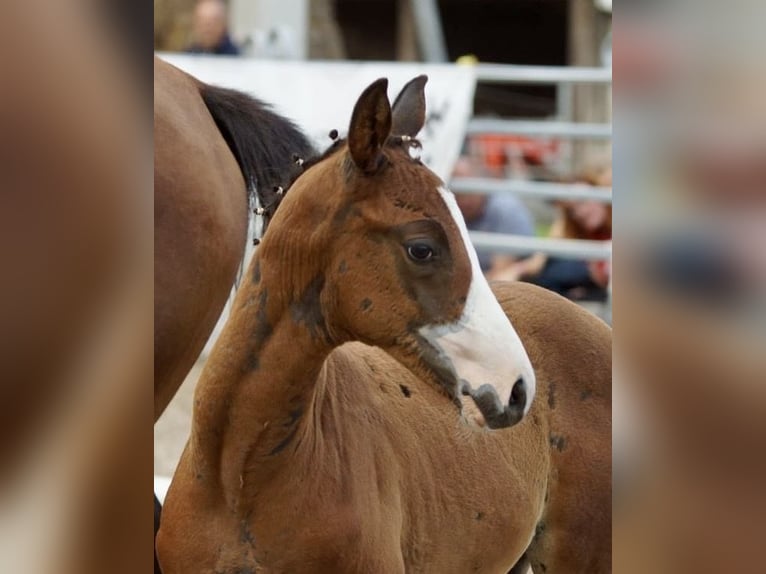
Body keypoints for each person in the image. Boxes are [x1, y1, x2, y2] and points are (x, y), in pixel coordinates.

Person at [495, 166, 612, 301]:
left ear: (601, 193)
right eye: (573, 210)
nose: (580, 212)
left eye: (583, 201)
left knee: (561, 270)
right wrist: (517, 270)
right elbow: (539, 260)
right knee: (552, 269)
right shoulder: (582, 230)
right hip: (596, 285)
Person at [452, 156, 536, 276]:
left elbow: (499, 274)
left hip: (502, 283)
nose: (464, 201)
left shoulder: (506, 208)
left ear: (483, 185)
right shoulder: (448, 211)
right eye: (458, 194)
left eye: (469, 192)